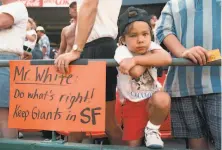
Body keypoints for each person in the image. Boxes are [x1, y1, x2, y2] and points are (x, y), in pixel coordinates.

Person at [55, 0, 124, 145]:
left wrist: (76, 50)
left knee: (94, 124)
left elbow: (89, 6)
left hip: (95, 48)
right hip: (97, 47)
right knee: (94, 124)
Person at [155, 0, 221, 150]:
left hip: (218, 84)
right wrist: (183, 51)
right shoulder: (174, 3)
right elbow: (162, 30)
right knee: (195, 141)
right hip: (183, 85)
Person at [114, 7, 171, 148]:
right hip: (132, 102)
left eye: (145, 34)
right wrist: (152, 58)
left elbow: (167, 58)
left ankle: (152, 129)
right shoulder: (121, 50)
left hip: (153, 101)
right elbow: (136, 72)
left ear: (150, 35)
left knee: (163, 98)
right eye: (133, 35)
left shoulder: (150, 45)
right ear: (123, 39)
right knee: (133, 145)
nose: (140, 40)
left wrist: (134, 60)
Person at [0, 0, 28, 138]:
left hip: (5, 59)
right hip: (4, 59)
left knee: (4, 111)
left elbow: (2, 21)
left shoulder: (17, 6)